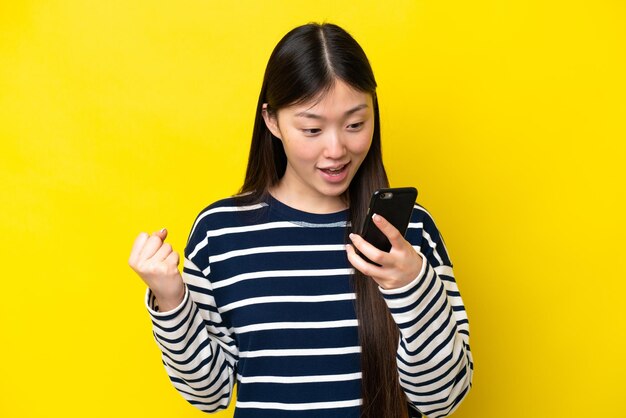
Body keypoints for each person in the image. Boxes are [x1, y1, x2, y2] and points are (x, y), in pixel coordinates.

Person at [128, 22, 473, 418]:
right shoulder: (219, 233)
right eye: (312, 128)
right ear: (272, 121)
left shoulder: (409, 231)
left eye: (355, 124)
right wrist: (171, 301)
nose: (336, 149)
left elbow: (442, 399)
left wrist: (413, 286)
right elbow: (209, 395)